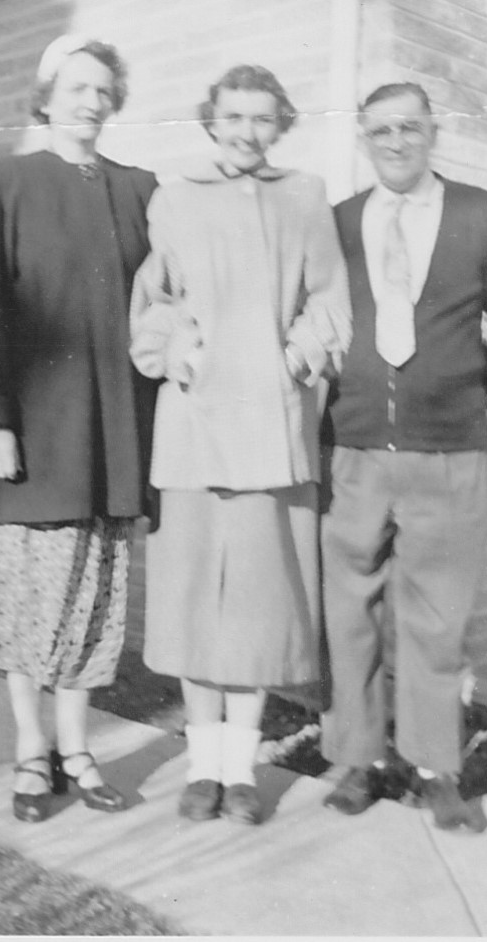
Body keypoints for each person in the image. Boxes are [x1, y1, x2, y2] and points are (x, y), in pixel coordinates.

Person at [0, 34, 158, 823]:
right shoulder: (7, 177)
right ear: (47, 95)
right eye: (75, 86)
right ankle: (33, 749)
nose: (89, 100)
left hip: (111, 437)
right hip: (29, 437)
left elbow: (166, 303)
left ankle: (78, 747)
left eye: (103, 87)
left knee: (93, 602)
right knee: (24, 604)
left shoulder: (141, 189)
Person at [130, 64, 351, 825]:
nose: (247, 130)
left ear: (281, 123)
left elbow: (329, 300)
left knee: (257, 607)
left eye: (263, 117)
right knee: (196, 603)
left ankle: (242, 770)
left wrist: (298, 356)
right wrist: (174, 352)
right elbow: (151, 299)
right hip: (193, 427)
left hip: (270, 426)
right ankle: (203, 768)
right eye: (233, 116)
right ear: (211, 120)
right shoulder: (175, 196)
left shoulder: (305, 196)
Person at [320, 81, 487, 832]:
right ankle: (357, 758)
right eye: (380, 131)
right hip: (357, 449)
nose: (397, 142)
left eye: (410, 127)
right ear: (363, 139)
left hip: (449, 452)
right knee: (349, 611)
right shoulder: (341, 222)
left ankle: (437, 767)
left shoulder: (478, 212)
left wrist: (461, 399)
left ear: (433, 130)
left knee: (437, 618)